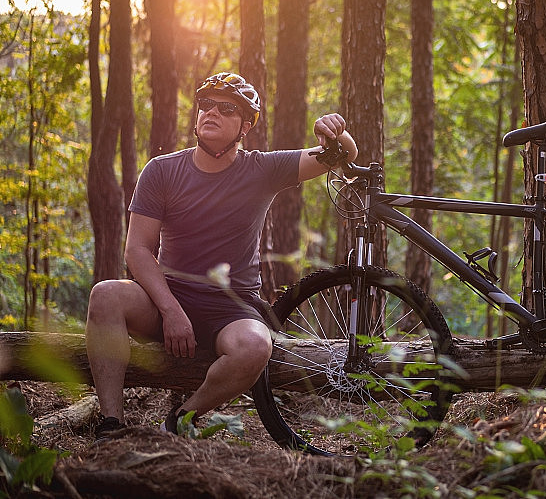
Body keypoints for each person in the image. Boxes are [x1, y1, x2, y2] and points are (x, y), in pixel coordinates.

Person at [85, 72, 357, 437]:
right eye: (206, 105)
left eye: (226, 108)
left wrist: (335, 130)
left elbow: (343, 155)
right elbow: (136, 250)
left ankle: (179, 422)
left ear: (245, 126)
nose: (211, 112)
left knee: (255, 346)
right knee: (105, 295)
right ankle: (110, 423)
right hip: (167, 296)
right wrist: (170, 310)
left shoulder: (263, 169)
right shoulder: (162, 171)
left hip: (231, 306)